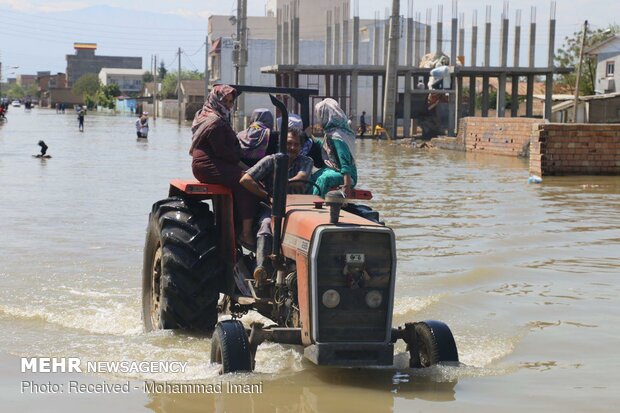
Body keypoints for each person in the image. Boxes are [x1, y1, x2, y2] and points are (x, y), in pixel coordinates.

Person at [239, 129, 313, 284]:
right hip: (273, 207)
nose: (292, 147)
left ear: (300, 147)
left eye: (296, 144)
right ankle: (261, 268)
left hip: (300, 207)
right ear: (280, 144)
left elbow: (302, 178)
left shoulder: (306, 161)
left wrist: (282, 183)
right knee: (266, 224)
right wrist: (267, 195)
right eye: (288, 143)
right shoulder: (271, 160)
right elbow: (246, 180)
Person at [190, 84, 258, 248]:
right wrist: (243, 165)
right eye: (225, 101)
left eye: (230, 101)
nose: (228, 105)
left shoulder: (211, 116)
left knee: (249, 179)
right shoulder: (215, 121)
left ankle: (236, 227)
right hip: (208, 164)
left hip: (214, 162)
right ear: (215, 100)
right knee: (246, 183)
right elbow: (222, 151)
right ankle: (246, 233)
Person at [310, 98, 358, 198]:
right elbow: (325, 147)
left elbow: (344, 160)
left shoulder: (337, 135)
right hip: (333, 170)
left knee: (324, 179)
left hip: (347, 176)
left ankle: (315, 203)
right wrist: (309, 136)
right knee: (311, 178)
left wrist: (347, 184)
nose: (318, 119)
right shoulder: (330, 133)